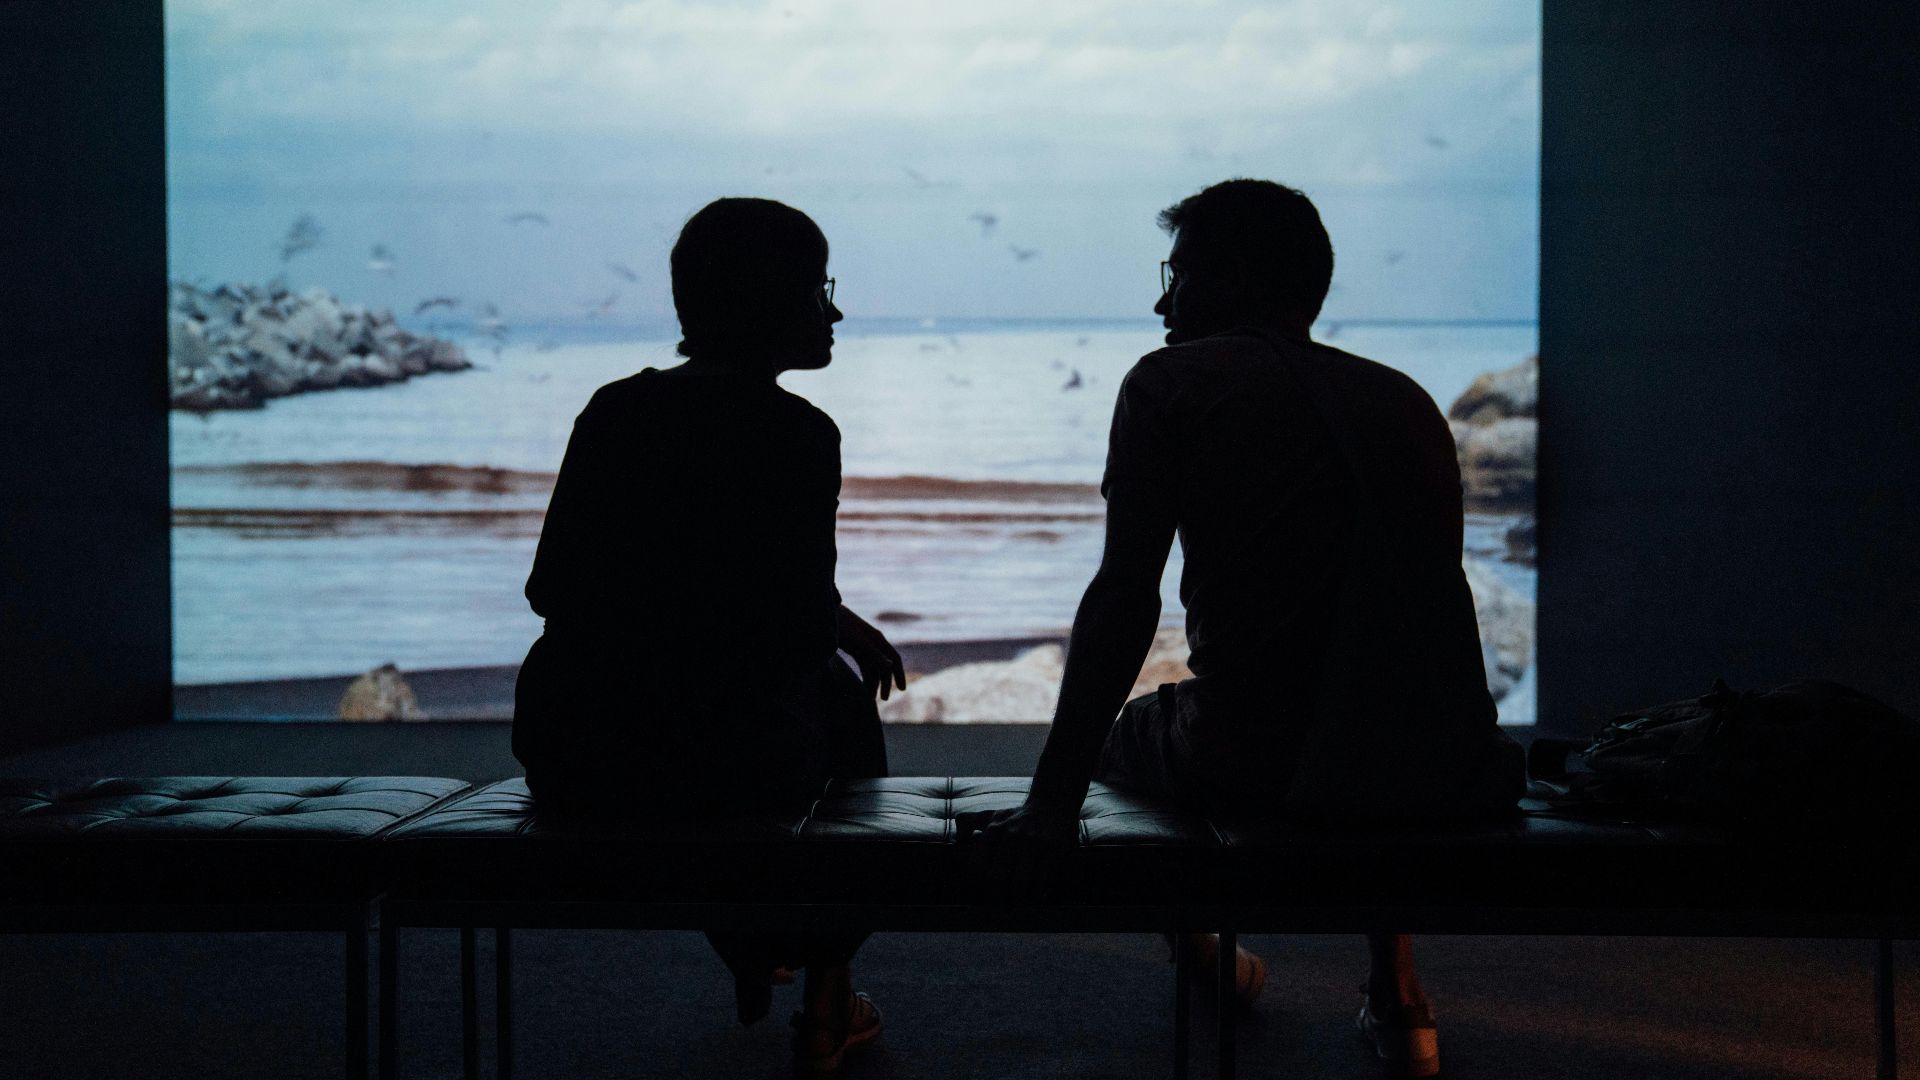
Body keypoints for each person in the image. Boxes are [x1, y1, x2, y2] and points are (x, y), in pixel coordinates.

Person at [957, 179, 1525, 1079]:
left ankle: (1205, 956)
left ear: (1235, 278)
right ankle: (1398, 990)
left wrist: (1051, 802)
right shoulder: (1405, 399)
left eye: (1177, 274)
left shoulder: (1172, 383)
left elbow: (1124, 597)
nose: (1160, 301)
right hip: (1440, 762)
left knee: (1130, 737)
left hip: (1259, 762)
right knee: (1365, 689)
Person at [511, 197, 907, 1077]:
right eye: (819, 290)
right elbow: (793, 631)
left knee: (731, 723)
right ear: (776, 303)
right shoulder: (799, 433)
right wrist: (828, 633)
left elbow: (553, 588)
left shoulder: (615, 409)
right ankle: (827, 989)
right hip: (727, 767)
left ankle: (752, 938)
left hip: (577, 751)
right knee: (835, 714)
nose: (834, 311)